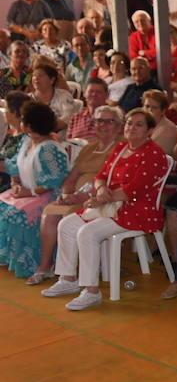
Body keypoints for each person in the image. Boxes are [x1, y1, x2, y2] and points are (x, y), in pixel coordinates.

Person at [43, 108, 168, 311]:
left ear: (150, 130)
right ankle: (68, 278)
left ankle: (92, 291)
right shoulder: (121, 148)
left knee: (87, 232)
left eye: (139, 125)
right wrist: (101, 190)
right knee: (67, 224)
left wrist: (100, 200)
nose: (132, 128)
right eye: (129, 123)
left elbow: (132, 191)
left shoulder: (154, 154)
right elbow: (100, 176)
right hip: (111, 204)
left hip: (138, 210)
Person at [33, 105, 122, 284]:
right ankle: (46, 266)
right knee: (49, 214)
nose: (103, 125)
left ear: (119, 126)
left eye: (109, 121)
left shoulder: (120, 148)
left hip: (99, 198)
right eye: (99, 121)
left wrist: (80, 197)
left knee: (63, 217)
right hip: (77, 195)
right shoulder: (89, 148)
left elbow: (113, 182)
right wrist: (66, 193)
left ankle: (70, 273)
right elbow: (71, 178)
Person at [0, 102, 70, 280]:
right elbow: (16, 165)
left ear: (30, 125)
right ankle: (8, 256)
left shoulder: (49, 148)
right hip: (26, 192)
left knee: (14, 214)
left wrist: (29, 192)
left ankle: (32, 261)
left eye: (23, 119)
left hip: (46, 195)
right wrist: (15, 183)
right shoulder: (27, 141)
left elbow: (55, 179)